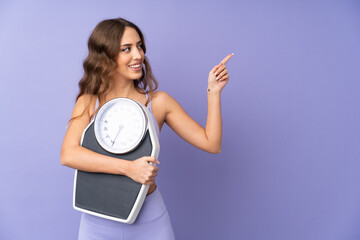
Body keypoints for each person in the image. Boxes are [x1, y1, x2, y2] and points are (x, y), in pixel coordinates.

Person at [60, 17, 232, 240]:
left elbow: (212, 143)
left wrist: (213, 92)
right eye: (126, 49)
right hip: (97, 223)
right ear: (106, 56)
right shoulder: (88, 102)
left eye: (139, 46)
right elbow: (68, 154)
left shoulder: (158, 103)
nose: (138, 55)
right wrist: (128, 168)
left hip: (150, 221)